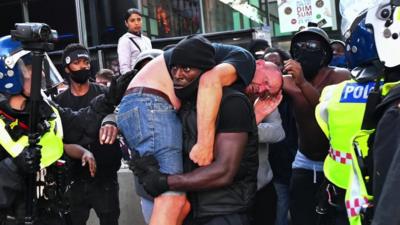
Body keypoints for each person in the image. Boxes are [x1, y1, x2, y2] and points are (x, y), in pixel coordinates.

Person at [117, 35, 255, 225]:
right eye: (174, 68)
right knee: (174, 201)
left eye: (186, 69)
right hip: (198, 209)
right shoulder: (187, 101)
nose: (178, 75)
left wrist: (166, 181)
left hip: (222, 210)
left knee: (174, 201)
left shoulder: (231, 100)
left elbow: (224, 171)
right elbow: (209, 80)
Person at [0, 35, 132, 224]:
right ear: (8, 75)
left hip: (52, 211)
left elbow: (81, 124)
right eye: (31, 68)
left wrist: (108, 100)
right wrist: (12, 168)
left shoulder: (46, 110)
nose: (42, 75)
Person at [314, 10, 379, 225]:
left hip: (338, 187)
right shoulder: (392, 93)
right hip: (380, 190)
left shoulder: (332, 92)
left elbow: (325, 126)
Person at [282, 25, 350, 225]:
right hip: (304, 160)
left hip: (335, 162)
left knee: (332, 218)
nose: (305, 49)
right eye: (300, 46)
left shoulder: (340, 76)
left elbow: (323, 107)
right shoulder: (287, 81)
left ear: (324, 54)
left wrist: (302, 82)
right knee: (301, 215)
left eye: (312, 45)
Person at [54, 43, 122, 225]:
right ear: (67, 68)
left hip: (105, 177)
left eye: (86, 61)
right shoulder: (59, 102)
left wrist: (111, 120)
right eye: (77, 62)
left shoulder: (104, 93)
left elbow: (119, 114)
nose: (83, 66)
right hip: (74, 179)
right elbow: (59, 140)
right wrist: (82, 152)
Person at [245, 60, 285, 225]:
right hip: (230, 193)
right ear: (258, 64)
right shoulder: (224, 89)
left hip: (262, 186)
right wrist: (255, 122)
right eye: (265, 81)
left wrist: (244, 129)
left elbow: (278, 132)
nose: (262, 88)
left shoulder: (263, 95)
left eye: (268, 86)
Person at [264, 47, 298, 225]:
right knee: (280, 212)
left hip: (297, 160)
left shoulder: (293, 92)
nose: (274, 69)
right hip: (275, 165)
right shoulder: (261, 95)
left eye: (277, 64)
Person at [118, 8, 152, 75]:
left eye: (139, 19)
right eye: (132, 20)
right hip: (135, 80)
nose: (136, 23)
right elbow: (124, 68)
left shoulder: (147, 40)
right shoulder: (125, 40)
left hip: (149, 76)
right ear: (126, 23)